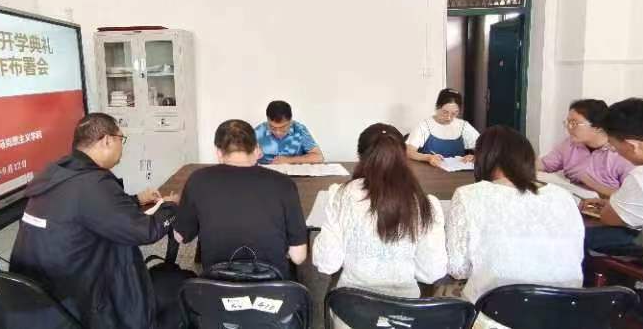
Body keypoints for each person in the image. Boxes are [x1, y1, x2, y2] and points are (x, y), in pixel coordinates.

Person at [8, 113, 180, 329]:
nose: (122, 146)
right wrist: (170, 206)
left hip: (34, 292)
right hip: (73, 297)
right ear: (107, 140)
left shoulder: (59, 172)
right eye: (121, 139)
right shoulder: (93, 183)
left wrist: (136, 200)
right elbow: (146, 232)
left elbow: (91, 210)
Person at [446, 126, 584, 305]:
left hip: (496, 309)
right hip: (565, 307)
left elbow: (458, 270)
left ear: (484, 158)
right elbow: (576, 256)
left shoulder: (469, 195)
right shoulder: (563, 195)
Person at [313, 123, 447, 304]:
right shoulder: (426, 203)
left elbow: (327, 263)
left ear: (359, 156)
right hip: (405, 310)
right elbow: (432, 272)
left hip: (351, 308)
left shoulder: (340, 195)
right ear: (403, 157)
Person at [174, 119, 308, 279]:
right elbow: (298, 257)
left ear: (218, 152)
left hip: (216, 286)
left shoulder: (198, 180)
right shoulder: (284, 184)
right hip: (272, 287)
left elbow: (180, 237)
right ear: (257, 149)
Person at [580, 98, 643, 327]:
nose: (615, 152)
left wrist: (613, 204)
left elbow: (609, 217)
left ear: (632, 146)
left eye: (615, 147)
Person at [539, 99, 634, 197]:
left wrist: (588, 181)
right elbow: (545, 164)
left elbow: (629, 198)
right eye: (567, 123)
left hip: (603, 204)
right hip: (572, 198)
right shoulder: (570, 144)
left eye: (574, 124)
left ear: (598, 127)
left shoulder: (621, 154)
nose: (568, 127)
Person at [406, 88, 479, 168]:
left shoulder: (464, 126)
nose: (449, 118)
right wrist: (428, 157)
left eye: (454, 113)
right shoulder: (425, 126)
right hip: (431, 173)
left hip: (458, 173)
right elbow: (409, 151)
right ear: (437, 107)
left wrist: (475, 157)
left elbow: (486, 149)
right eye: (445, 112)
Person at [255, 100, 324, 164]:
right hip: (265, 171)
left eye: (282, 127)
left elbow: (318, 157)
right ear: (267, 119)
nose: (278, 132)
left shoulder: (299, 130)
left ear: (291, 121)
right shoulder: (258, 132)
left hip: (293, 172)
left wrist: (289, 160)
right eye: (272, 127)